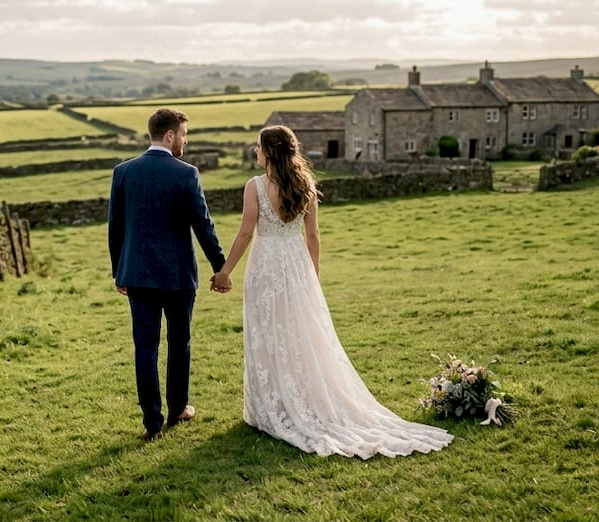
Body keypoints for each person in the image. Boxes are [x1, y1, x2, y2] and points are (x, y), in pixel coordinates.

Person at [212, 125, 453, 458]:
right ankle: (294, 399)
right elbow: (313, 236)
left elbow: (244, 234)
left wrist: (225, 271)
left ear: (269, 151)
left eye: (258, 147)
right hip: (297, 264)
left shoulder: (254, 187)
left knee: (269, 332)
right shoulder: (305, 184)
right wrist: (314, 276)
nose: (255, 152)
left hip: (266, 265)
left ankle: (271, 407)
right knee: (298, 333)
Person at [108, 108, 227, 441]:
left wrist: (119, 271)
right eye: (184, 135)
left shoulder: (123, 172)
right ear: (170, 135)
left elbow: (115, 228)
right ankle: (178, 409)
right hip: (177, 277)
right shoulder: (186, 174)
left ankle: (152, 424)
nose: (185, 142)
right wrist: (220, 267)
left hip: (138, 275)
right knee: (179, 343)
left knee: (144, 348)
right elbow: (203, 225)